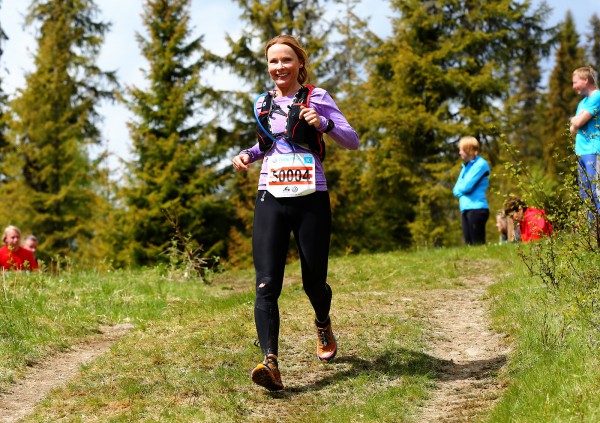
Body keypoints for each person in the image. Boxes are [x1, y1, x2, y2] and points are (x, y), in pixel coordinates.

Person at [231, 35, 359, 391]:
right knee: (266, 283)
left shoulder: (317, 97)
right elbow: (267, 144)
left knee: (313, 282)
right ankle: (270, 363)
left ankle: (322, 322)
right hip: (270, 193)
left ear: (300, 64)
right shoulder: (262, 103)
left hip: (311, 196)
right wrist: (246, 155)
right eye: (273, 62)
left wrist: (323, 124)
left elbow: (352, 139)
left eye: (286, 61)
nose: (279, 68)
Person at [570, 66, 600, 215]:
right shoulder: (582, 104)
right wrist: (576, 119)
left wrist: (577, 120)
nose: (573, 86)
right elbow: (572, 128)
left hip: (594, 150)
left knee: (596, 192)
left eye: (575, 82)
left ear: (586, 80)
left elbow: (579, 123)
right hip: (580, 152)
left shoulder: (597, 96)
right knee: (585, 194)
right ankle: (591, 232)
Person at [452, 136, 490, 245]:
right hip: (465, 208)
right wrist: (460, 190)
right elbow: (455, 190)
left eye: (461, 149)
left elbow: (466, 187)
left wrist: (461, 190)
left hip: (477, 209)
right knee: (469, 245)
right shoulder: (466, 167)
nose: (459, 152)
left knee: (477, 244)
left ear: (468, 149)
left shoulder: (481, 165)